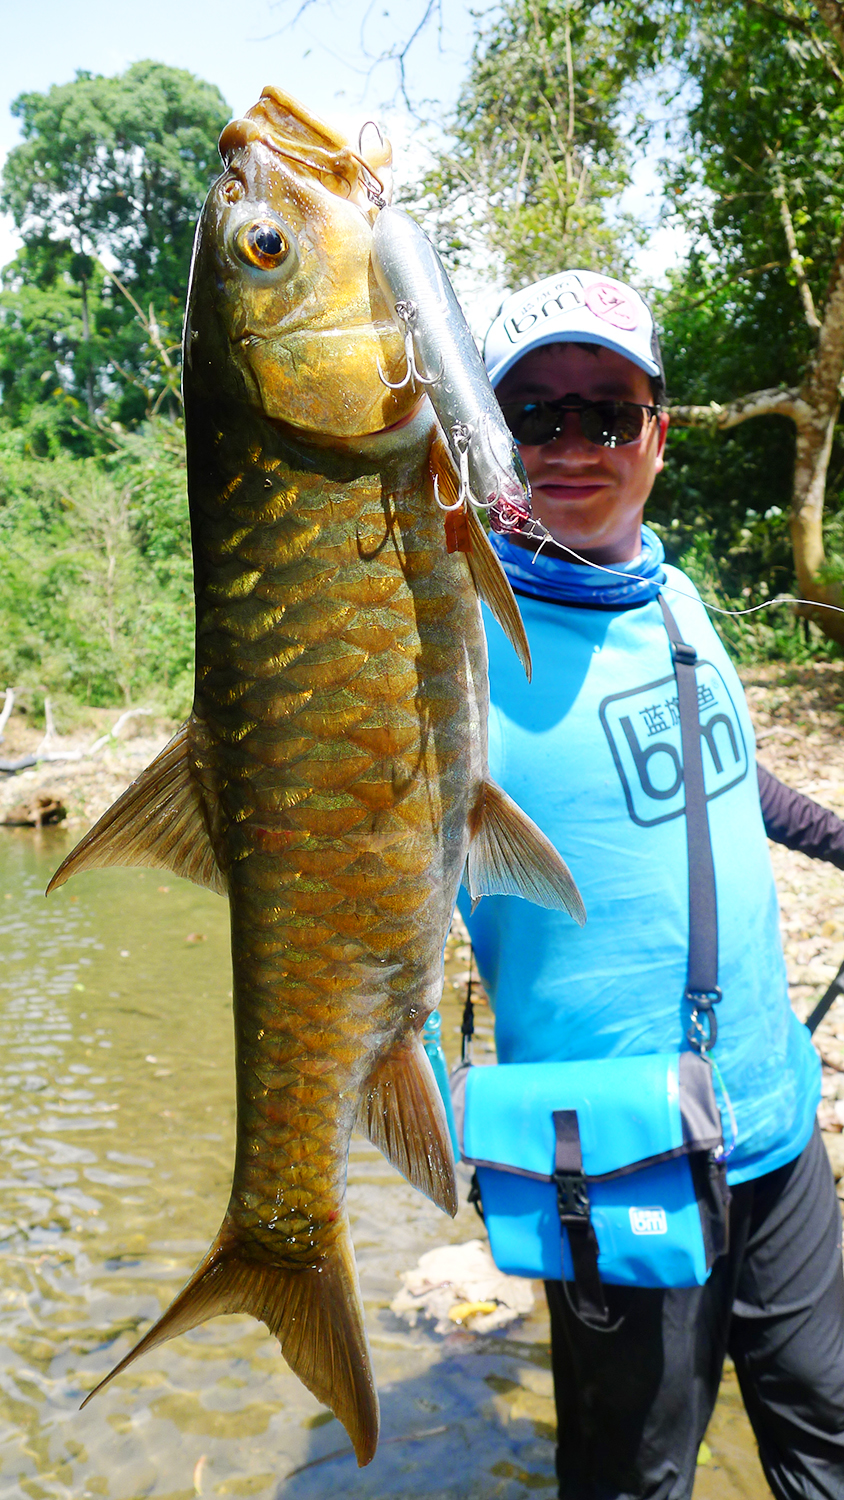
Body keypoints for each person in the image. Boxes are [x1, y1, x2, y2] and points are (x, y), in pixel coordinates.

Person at [460, 268, 844, 1500]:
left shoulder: (671, 595)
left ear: (657, 437)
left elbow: (726, 782)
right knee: (633, 1482)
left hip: (775, 1126)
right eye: (534, 413)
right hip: (615, 1156)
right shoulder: (451, 644)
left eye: (606, 413)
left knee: (830, 1434)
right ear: (486, 434)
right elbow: (365, 914)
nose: (572, 446)